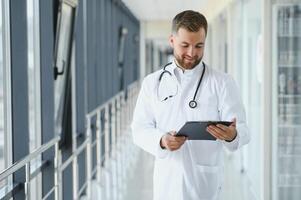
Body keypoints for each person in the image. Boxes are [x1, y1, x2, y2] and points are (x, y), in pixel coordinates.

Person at [131, 10, 250, 200]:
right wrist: (161, 141)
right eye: (184, 45)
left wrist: (232, 135)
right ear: (172, 41)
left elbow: (244, 130)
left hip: (204, 185)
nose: (191, 53)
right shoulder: (152, 83)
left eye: (199, 46)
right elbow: (139, 129)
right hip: (167, 183)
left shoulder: (222, 82)